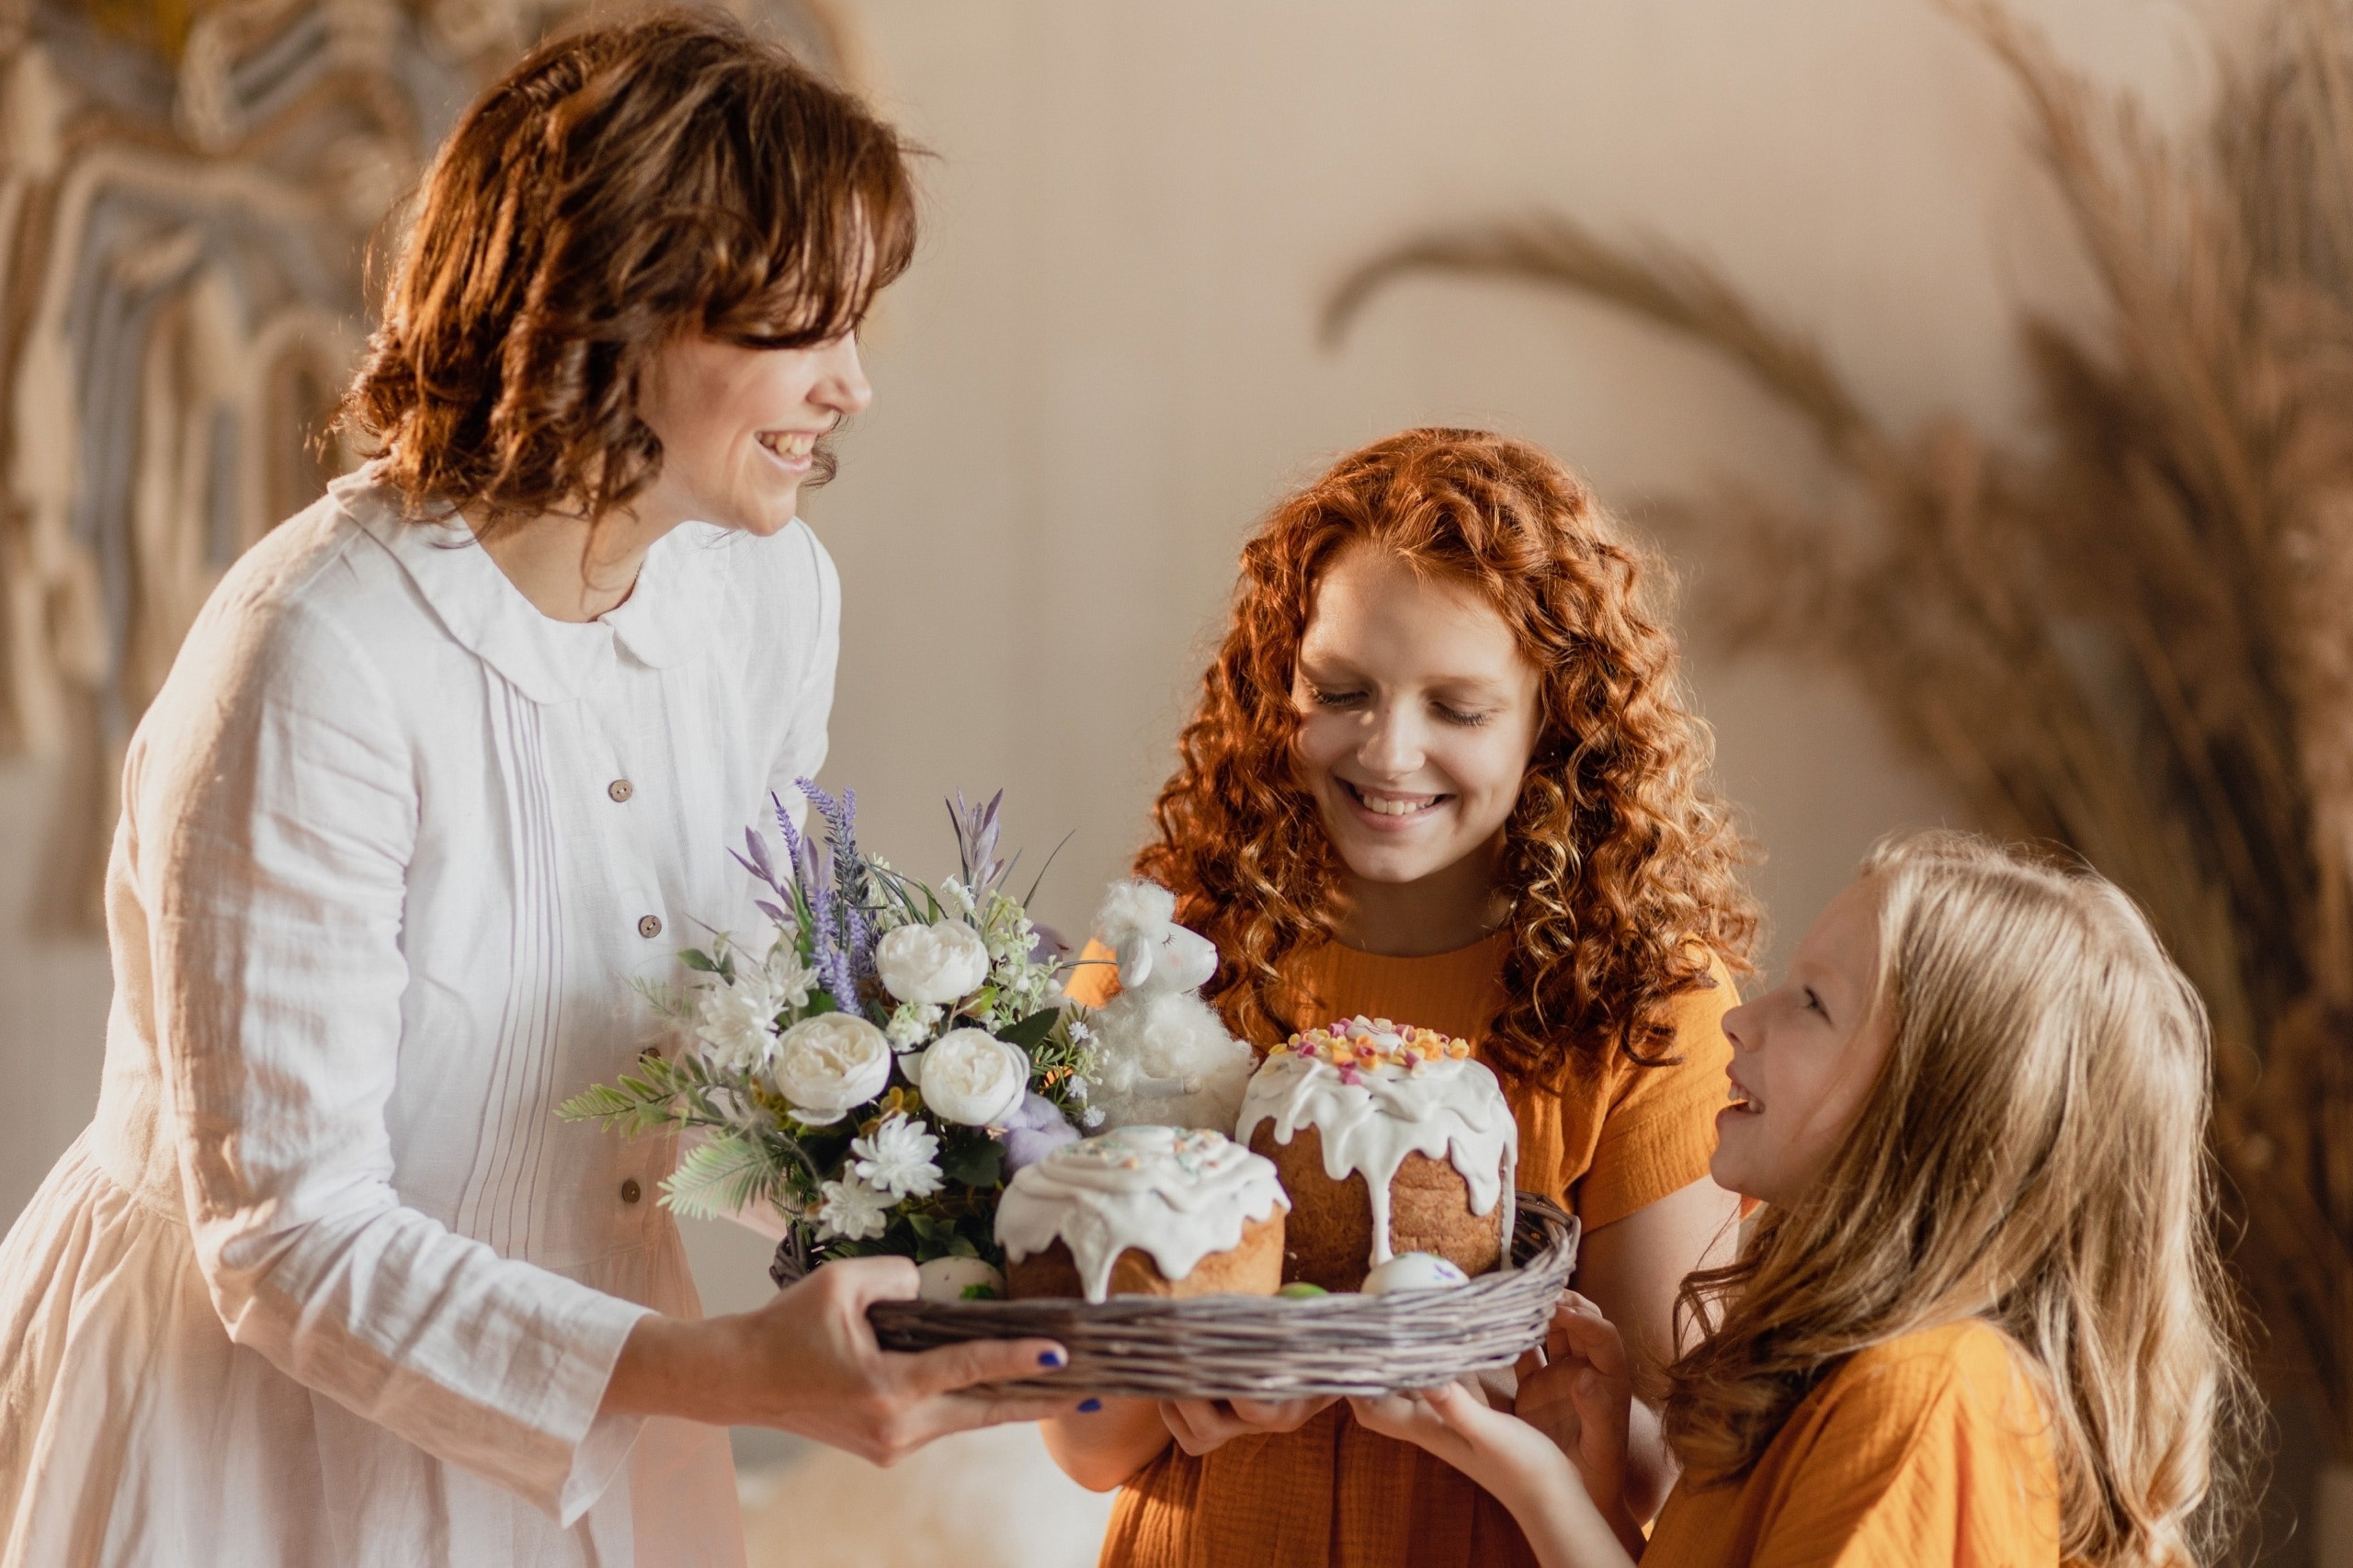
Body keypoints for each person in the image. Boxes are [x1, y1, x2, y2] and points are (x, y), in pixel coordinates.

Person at [0, 14, 1069, 1567]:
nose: (854, 386)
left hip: (609, 1403)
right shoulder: (317, 657)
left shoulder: (770, 596)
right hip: (250, 1435)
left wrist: (1014, 1212)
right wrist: (725, 1371)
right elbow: (288, 1238)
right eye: (805, 328)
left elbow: (741, 1028)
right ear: (621, 311)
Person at [1051, 428, 1761, 1567]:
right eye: (1341, 690)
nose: (1389, 753)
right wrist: (1194, 1370)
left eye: (1458, 709)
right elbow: (1082, 1443)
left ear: (1556, 721)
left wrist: (1495, 1376)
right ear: (1277, 682)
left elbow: (1681, 1474)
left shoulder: (1646, 999)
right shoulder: (1168, 955)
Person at [1354, 832, 2248, 1567]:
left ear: (1935, 1104)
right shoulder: (1826, 1375)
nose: (1740, 1018)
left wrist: (1537, 1486)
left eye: (1812, 1002)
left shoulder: (1926, 1395)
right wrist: (1581, 1495)